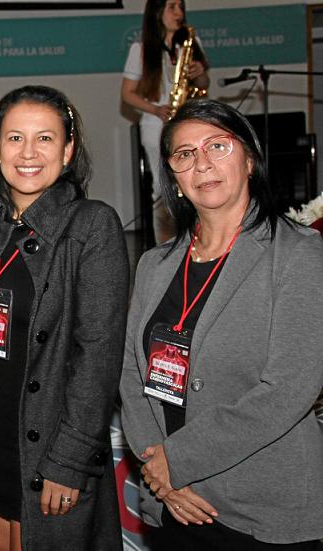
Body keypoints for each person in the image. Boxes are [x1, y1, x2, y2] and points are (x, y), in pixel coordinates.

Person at [0, 86, 128, 551]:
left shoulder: (92, 226)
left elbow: (98, 358)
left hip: (47, 446)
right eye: (15, 138)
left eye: (45, 139)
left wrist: (70, 462)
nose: (29, 153)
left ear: (69, 149)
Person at [120, 99, 323, 550]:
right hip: (176, 504)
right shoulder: (155, 264)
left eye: (218, 146)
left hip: (263, 507)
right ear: (173, 175)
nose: (203, 163)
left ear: (250, 159)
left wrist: (177, 460)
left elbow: (287, 390)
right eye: (185, 154)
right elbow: (133, 378)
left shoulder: (298, 255)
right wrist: (162, 474)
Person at [122, 0, 209, 245]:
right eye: (172, 7)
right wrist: (156, 109)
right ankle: (165, 247)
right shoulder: (140, 50)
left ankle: (198, 242)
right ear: (157, 12)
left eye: (181, 7)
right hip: (155, 123)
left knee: (195, 181)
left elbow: (203, 86)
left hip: (189, 122)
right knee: (163, 188)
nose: (179, 13)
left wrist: (200, 73)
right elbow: (127, 94)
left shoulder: (191, 44)